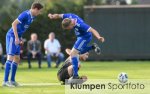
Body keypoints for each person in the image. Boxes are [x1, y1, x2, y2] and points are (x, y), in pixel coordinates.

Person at [48, 13, 105, 83]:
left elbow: (92, 30)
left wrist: (98, 37)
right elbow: (59, 15)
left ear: (70, 24)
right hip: (80, 37)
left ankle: (75, 75)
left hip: (85, 37)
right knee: (76, 53)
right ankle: (92, 47)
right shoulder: (68, 17)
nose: (68, 29)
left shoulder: (80, 24)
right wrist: (53, 16)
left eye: (68, 28)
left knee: (73, 53)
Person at [3, 2, 43, 87]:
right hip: (11, 36)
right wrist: (16, 38)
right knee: (10, 57)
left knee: (17, 58)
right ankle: (5, 81)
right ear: (36, 9)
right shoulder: (25, 14)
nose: (39, 13)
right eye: (39, 11)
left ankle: (12, 81)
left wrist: (20, 38)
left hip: (18, 37)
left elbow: (21, 28)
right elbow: (14, 24)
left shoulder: (33, 17)